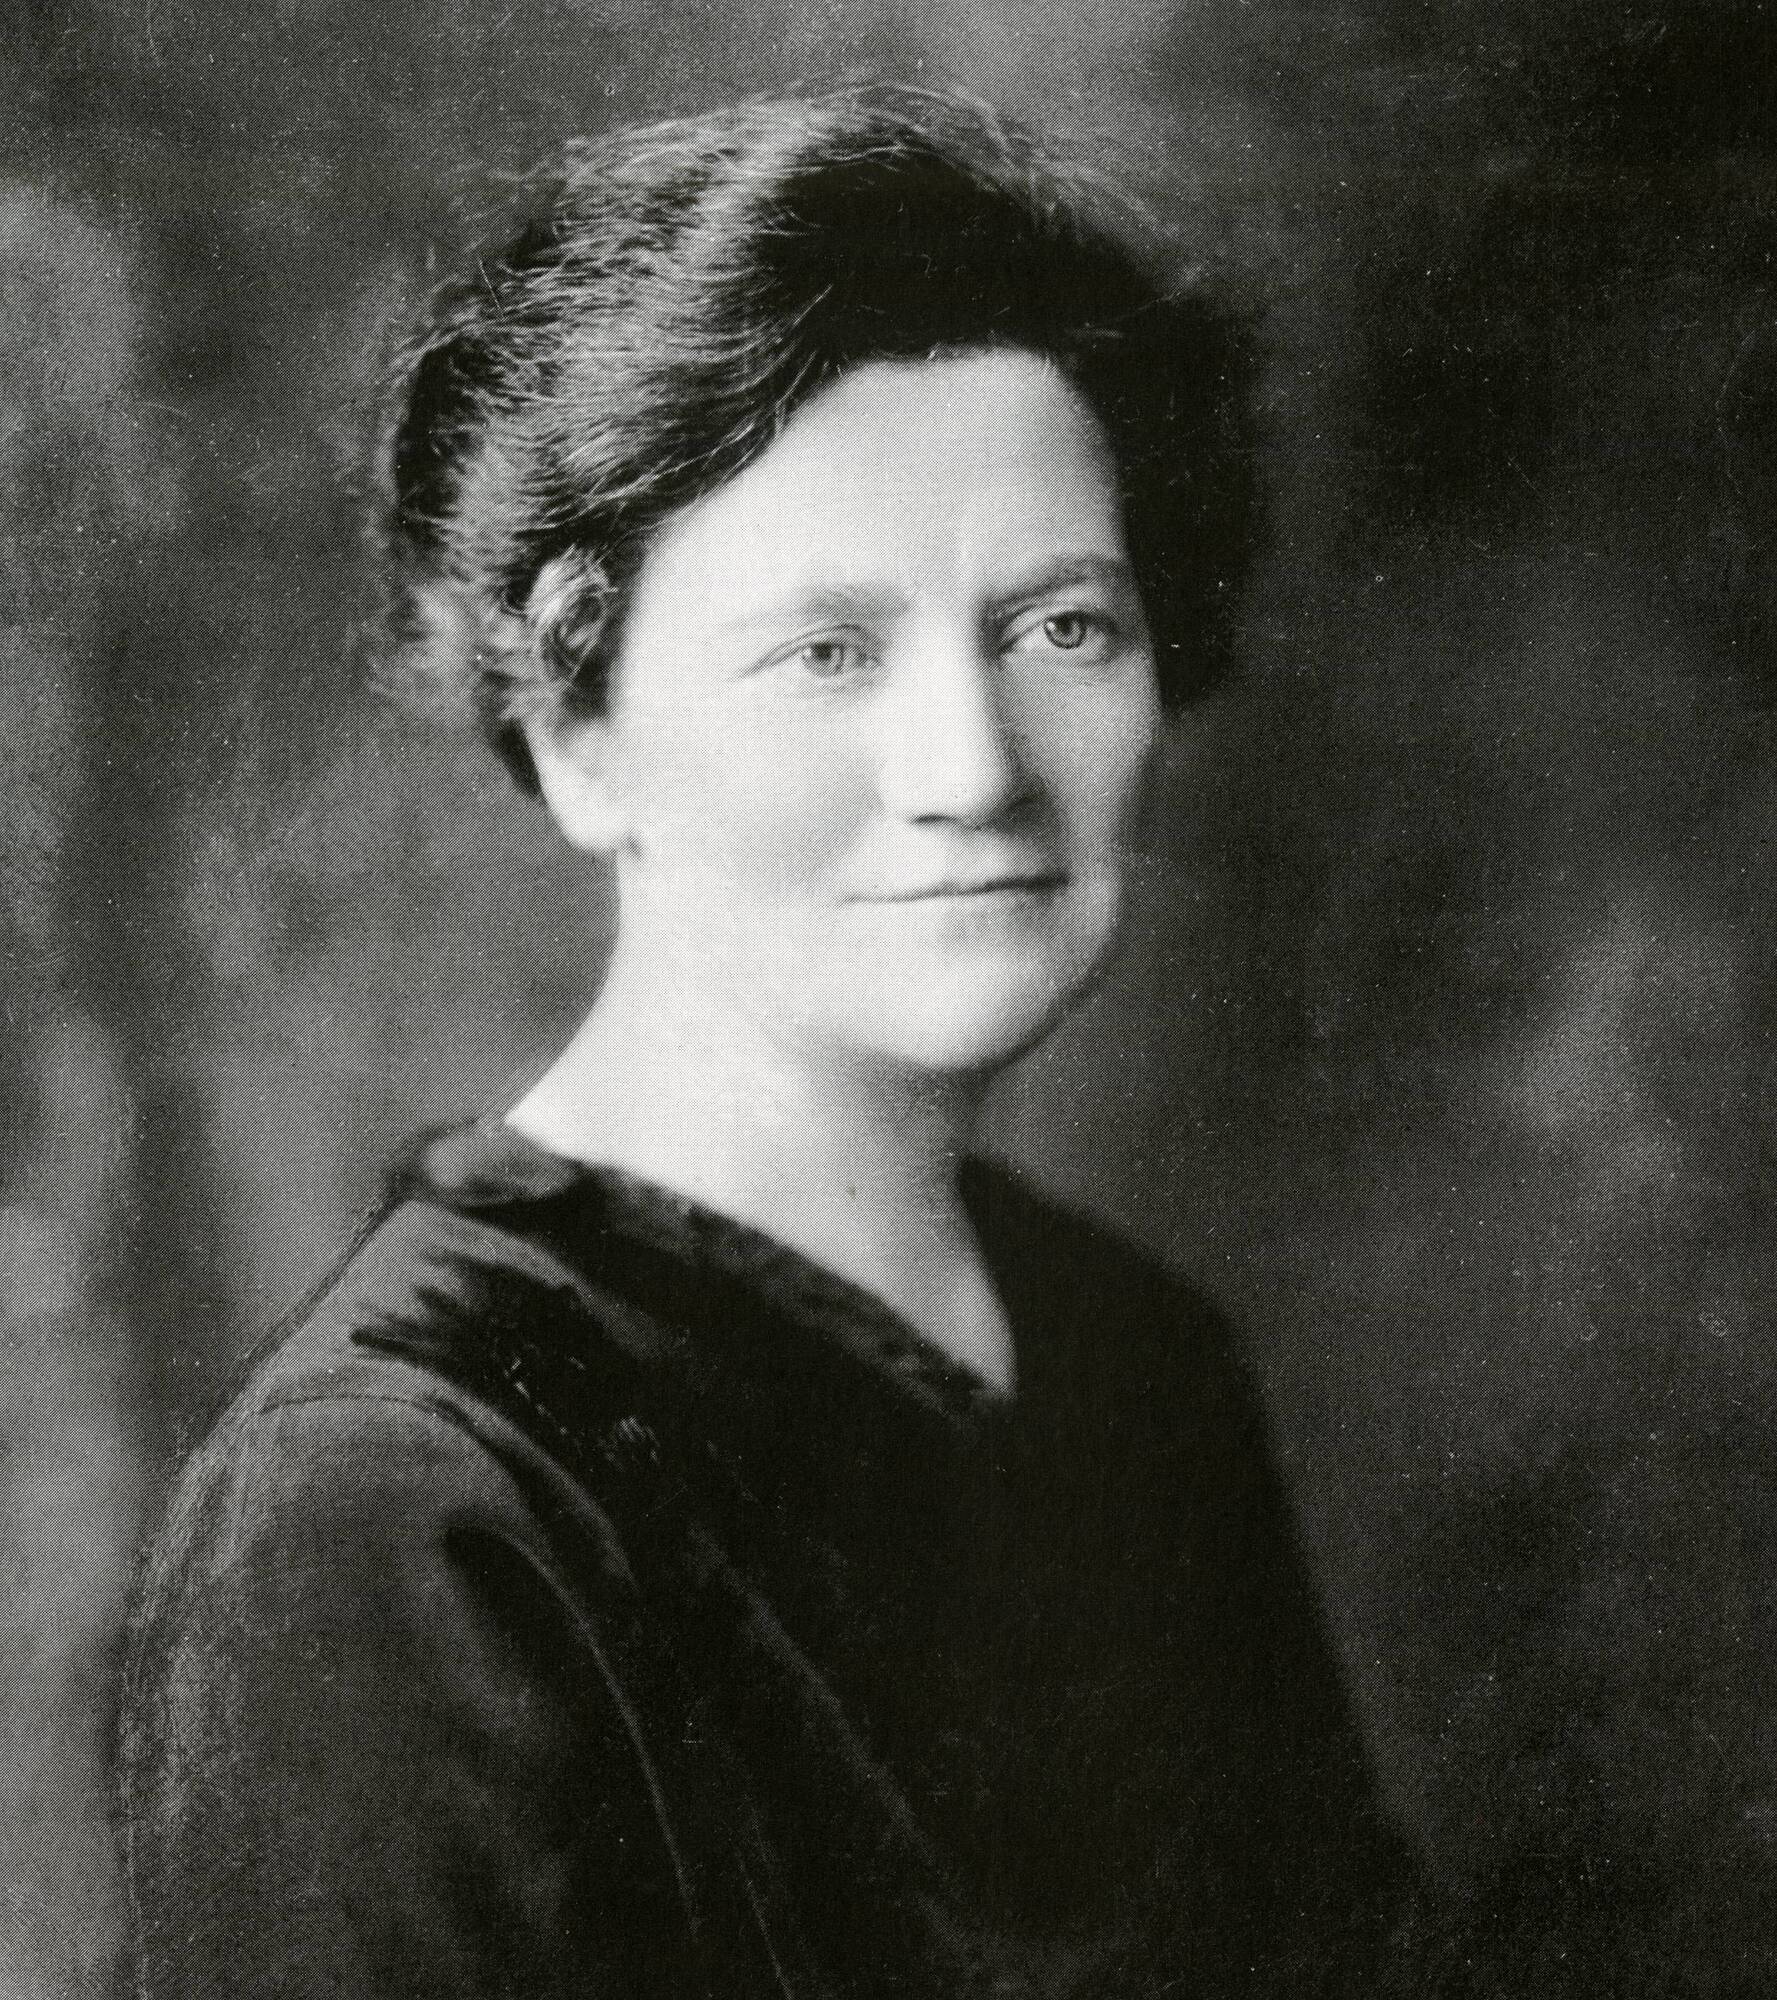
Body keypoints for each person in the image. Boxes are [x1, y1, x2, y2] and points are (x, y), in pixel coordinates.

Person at [119, 84, 1409, 1998]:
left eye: (1060, 628)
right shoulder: (400, 1504)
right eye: (826, 652)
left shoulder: (1140, 1366)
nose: (970, 769)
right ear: (579, 733)